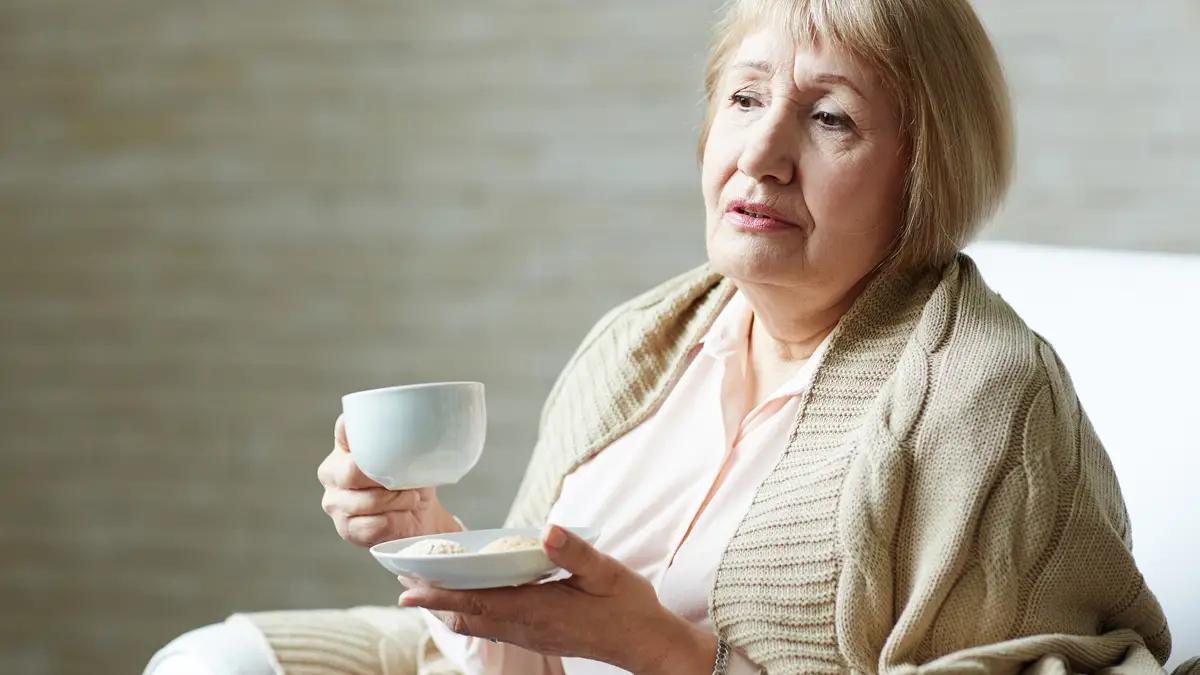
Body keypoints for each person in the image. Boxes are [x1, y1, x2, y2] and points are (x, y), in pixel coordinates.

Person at [145, 0, 1174, 673]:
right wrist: (434, 537)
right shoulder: (641, 340)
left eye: (831, 120)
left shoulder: (984, 397)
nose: (761, 156)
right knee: (207, 663)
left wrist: (682, 660)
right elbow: (539, 634)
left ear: (925, 170)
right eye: (745, 98)